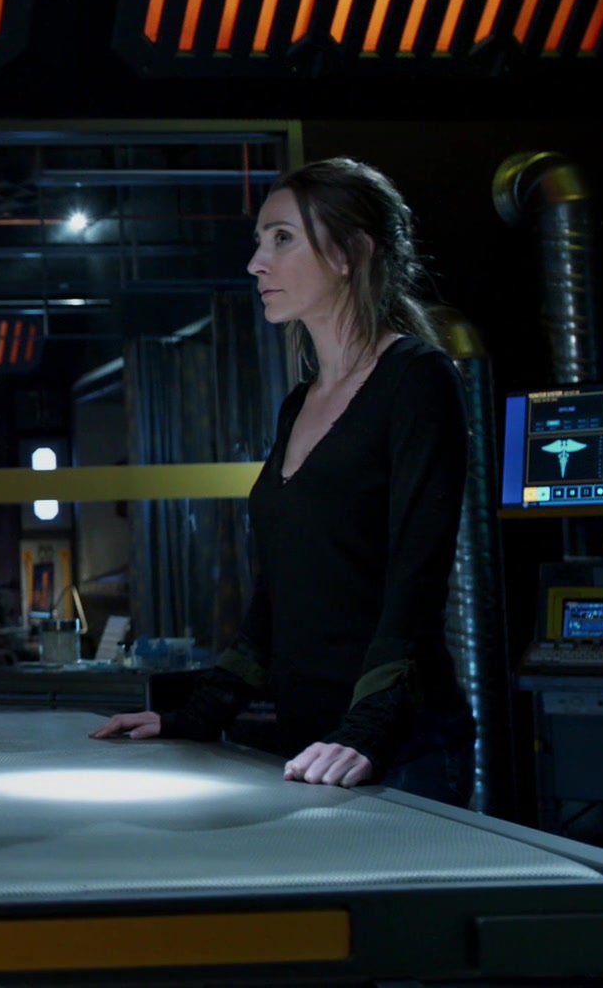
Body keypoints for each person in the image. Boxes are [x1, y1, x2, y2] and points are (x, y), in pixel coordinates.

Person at [92, 158, 474, 805]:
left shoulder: (418, 379)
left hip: (398, 751)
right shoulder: (299, 403)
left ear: (351, 253)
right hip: (311, 747)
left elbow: (418, 579)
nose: (256, 263)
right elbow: (280, 595)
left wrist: (369, 729)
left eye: (283, 238)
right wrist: (197, 715)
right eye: (260, 241)